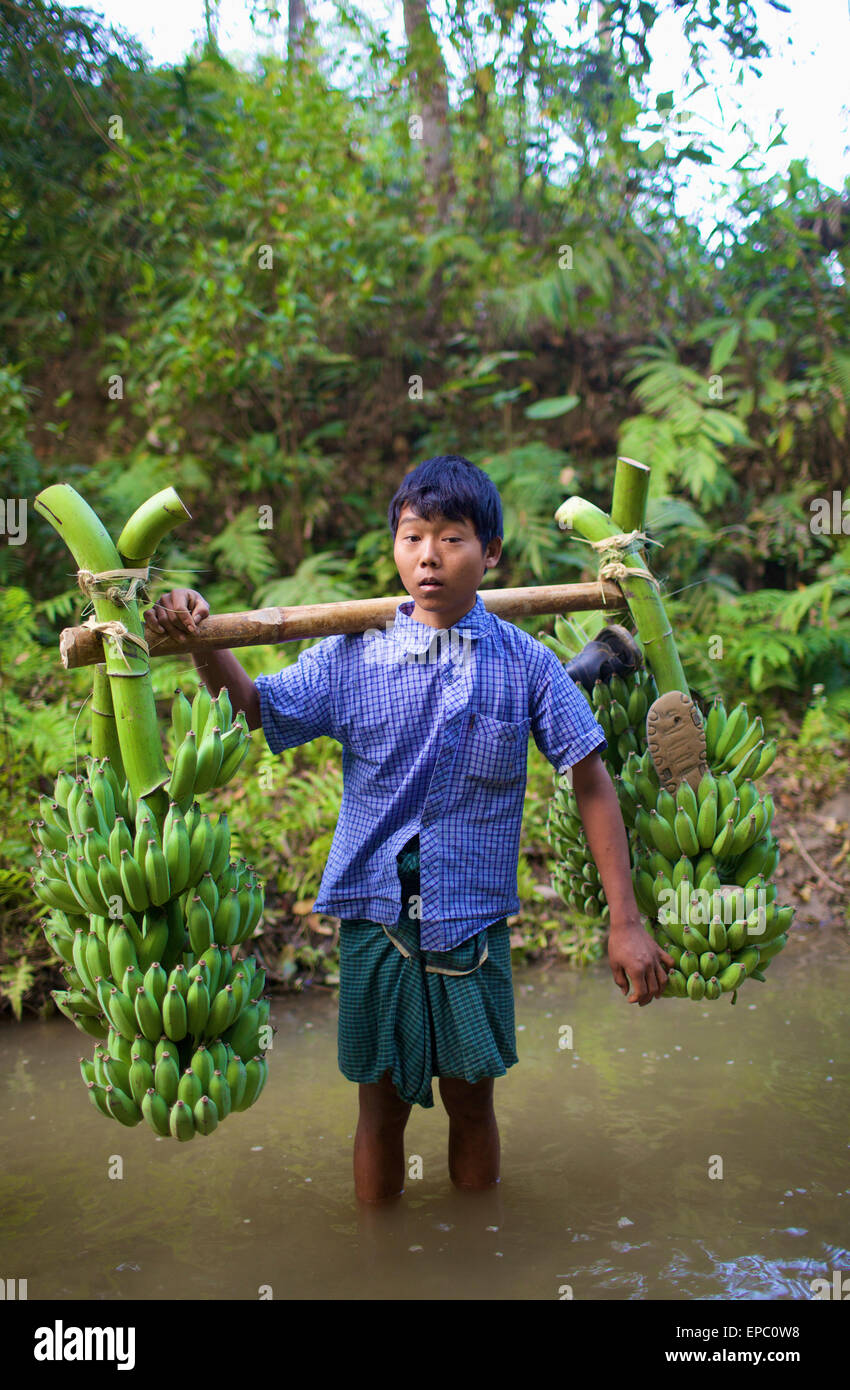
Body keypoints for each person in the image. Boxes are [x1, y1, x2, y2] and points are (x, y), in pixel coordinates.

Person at [146, 454, 673, 1204]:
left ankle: (476, 1249)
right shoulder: (352, 653)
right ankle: (380, 1257)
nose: (429, 556)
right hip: (374, 915)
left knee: (471, 1100)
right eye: (413, 536)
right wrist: (204, 642)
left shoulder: (524, 664)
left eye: (452, 538)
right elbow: (257, 710)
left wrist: (625, 919)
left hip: (471, 922)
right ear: (395, 548)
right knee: (381, 1105)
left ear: (490, 553)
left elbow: (590, 779)